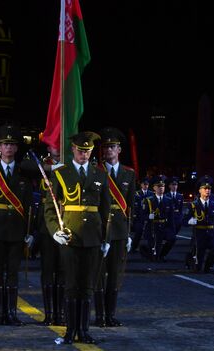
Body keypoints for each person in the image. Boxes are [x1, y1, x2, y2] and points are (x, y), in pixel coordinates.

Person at [44, 131, 111, 344]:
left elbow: (105, 209)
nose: (84, 154)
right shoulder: (61, 174)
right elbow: (50, 208)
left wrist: (106, 238)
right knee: (71, 285)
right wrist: (55, 231)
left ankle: (83, 330)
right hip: (70, 235)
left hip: (93, 237)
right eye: (81, 150)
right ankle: (69, 330)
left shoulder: (100, 174)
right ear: (73, 149)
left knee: (87, 286)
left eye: (88, 151)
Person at [0, 124, 34, 327]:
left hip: (17, 230)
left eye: (12, 144)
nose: (8, 148)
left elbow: (28, 204)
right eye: (5, 144)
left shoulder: (24, 172)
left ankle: (11, 313)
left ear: (17, 148)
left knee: (12, 273)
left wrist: (30, 231)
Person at [94, 127, 135, 328]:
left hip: (119, 230)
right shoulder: (96, 171)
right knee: (99, 275)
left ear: (119, 150)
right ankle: (100, 316)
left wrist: (129, 233)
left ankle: (110, 315)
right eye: (106, 147)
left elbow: (130, 206)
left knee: (114, 275)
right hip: (100, 229)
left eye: (113, 147)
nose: (109, 150)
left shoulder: (129, 174)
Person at [35, 150, 66, 326]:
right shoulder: (41, 165)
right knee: (47, 271)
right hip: (46, 228)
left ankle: (60, 314)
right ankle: (49, 314)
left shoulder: (71, 167)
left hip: (65, 227)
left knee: (62, 272)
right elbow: (26, 166)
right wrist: (54, 167)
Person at [184, 176, 214, 273]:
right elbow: (184, 221)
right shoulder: (193, 205)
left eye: (209, 188)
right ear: (200, 190)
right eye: (205, 188)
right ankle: (190, 260)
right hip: (199, 235)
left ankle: (208, 267)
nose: (207, 190)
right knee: (197, 269)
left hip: (211, 233)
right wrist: (189, 221)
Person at [140, 175, 176, 262]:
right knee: (153, 257)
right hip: (152, 226)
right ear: (154, 188)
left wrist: (172, 229)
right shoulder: (148, 200)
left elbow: (171, 216)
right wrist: (148, 217)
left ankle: (162, 254)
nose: (161, 188)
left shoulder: (168, 200)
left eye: (163, 186)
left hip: (164, 226)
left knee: (172, 239)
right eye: (159, 186)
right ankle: (147, 251)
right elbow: (142, 215)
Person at [130, 177, 153, 252]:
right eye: (144, 184)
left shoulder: (151, 194)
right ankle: (133, 247)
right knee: (139, 232)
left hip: (148, 216)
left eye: (147, 184)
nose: (146, 186)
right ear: (141, 185)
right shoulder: (137, 194)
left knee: (150, 233)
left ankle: (151, 249)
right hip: (139, 217)